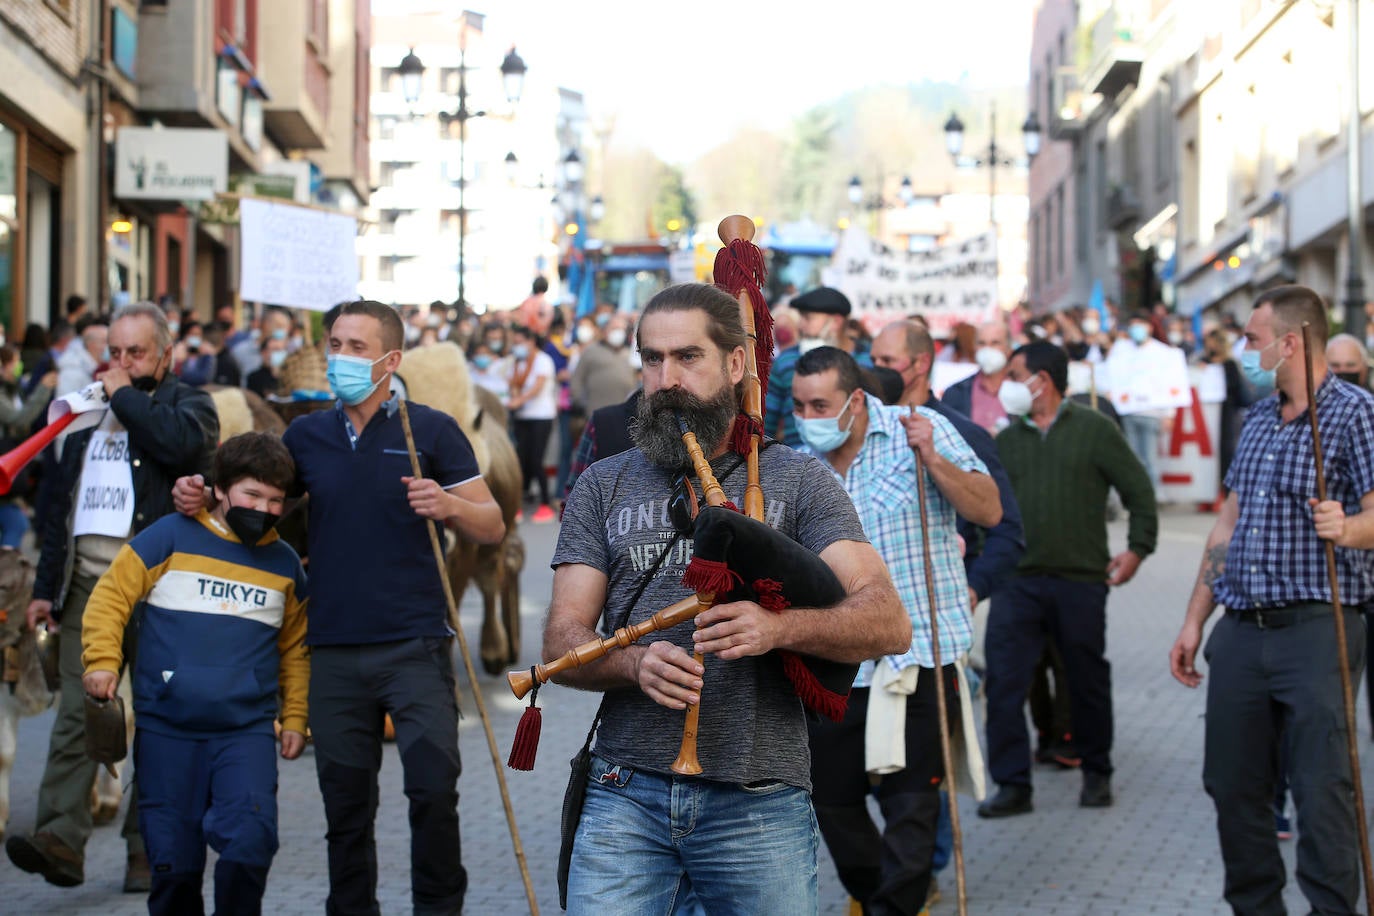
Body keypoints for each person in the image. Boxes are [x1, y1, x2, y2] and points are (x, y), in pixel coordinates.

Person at [548, 283, 909, 914]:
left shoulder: (797, 480)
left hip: (759, 799)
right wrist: (634, 663)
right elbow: (561, 639)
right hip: (625, 790)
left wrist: (779, 628)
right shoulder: (603, 485)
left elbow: (887, 621)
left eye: (688, 358)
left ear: (735, 365)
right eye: (652, 359)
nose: (666, 380)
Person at [175, 299, 503, 915]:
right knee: (346, 809)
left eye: (357, 347)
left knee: (434, 792)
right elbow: (255, 506)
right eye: (335, 345)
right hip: (330, 649)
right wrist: (201, 493)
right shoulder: (305, 436)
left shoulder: (429, 430)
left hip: (415, 645)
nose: (341, 358)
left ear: (391, 359)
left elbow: (493, 523)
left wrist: (449, 505)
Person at [1169, 286, 1374, 916]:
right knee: (1232, 784)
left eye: (1254, 339)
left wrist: (1350, 528)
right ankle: (1257, 907)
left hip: (1318, 626)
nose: (1245, 350)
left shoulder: (1354, 413)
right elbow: (1226, 524)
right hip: (1241, 630)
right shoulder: (1255, 419)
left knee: (1322, 788)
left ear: (1289, 342)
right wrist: (1194, 620)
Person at [6, 301, 219, 892]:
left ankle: (147, 847)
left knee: (157, 719)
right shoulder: (87, 414)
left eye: (136, 353)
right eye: (115, 354)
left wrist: (125, 394)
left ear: (166, 355)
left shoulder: (188, 403)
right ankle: (58, 839)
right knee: (78, 715)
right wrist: (46, 589)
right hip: (84, 589)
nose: (120, 364)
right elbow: (60, 510)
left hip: (158, 590)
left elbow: (181, 446)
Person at [793, 346, 999, 915]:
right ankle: (873, 894)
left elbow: (988, 510)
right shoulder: (796, 465)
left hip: (919, 655)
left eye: (821, 404)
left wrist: (934, 459)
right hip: (834, 661)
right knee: (833, 803)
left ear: (856, 401)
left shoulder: (920, 429)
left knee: (911, 808)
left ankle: (895, 908)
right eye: (799, 405)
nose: (809, 417)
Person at [80, 432, 308, 916]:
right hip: (167, 732)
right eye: (251, 495)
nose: (263, 509)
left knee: (251, 844)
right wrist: (101, 662)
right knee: (172, 868)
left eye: (274, 500)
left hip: (244, 733)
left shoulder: (286, 565)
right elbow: (110, 598)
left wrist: (294, 718)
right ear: (220, 489)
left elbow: (296, 650)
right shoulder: (168, 536)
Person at [979, 341, 1157, 817]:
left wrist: (1138, 549)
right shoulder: (1006, 440)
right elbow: (985, 510)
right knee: (1003, 682)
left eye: (1016, 375)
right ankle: (1012, 784)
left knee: (1086, 681)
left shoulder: (1095, 429)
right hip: (1017, 581)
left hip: (1081, 580)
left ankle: (1097, 772)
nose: (1008, 385)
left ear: (1043, 380)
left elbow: (1139, 491)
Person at [764, 287, 871, 447]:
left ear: (835, 322)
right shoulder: (786, 361)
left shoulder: (868, 359)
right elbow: (767, 425)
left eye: (808, 318)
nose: (800, 325)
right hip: (797, 463)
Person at [1102, 311, 1190, 500]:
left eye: (1140, 325)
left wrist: (1169, 414)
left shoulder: (1163, 353)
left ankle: (1151, 496)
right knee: (1132, 459)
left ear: (1150, 327)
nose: (1136, 330)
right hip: (1128, 412)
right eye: (1132, 325)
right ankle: (1134, 497)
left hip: (1152, 413)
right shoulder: (1122, 351)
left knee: (1149, 459)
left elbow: (1171, 383)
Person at [0, 345, 56, 545]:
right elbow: (20, 418)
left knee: (17, 523)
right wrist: (43, 389)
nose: (19, 366)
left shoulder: (14, 389)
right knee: (16, 523)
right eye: (15, 361)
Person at [508, 323, 558, 522]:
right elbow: (512, 384)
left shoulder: (543, 360)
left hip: (541, 416)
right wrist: (513, 397)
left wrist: (518, 400)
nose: (517, 346)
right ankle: (519, 502)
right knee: (522, 460)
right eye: (515, 343)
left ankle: (545, 503)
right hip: (522, 417)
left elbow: (537, 387)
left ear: (530, 342)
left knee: (537, 460)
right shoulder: (517, 362)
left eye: (520, 342)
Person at [942, 320, 1015, 434]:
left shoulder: (1023, 390)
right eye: (982, 343)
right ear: (975, 347)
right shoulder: (955, 393)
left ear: (1009, 349)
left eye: (995, 343)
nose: (987, 349)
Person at [570, 314, 637, 415]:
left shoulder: (629, 354)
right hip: (594, 412)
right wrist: (580, 403)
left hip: (623, 414)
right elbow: (577, 379)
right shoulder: (591, 351)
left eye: (621, 329)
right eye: (614, 328)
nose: (618, 333)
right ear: (605, 331)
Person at [56, 320, 108, 397]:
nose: (108, 347)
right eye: (105, 341)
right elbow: (64, 404)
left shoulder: (94, 368)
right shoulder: (72, 372)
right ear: (91, 344)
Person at [246, 334, 289, 399]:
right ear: (264, 353)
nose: (279, 353)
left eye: (281, 350)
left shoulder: (288, 377)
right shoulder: (254, 378)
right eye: (275, 350)